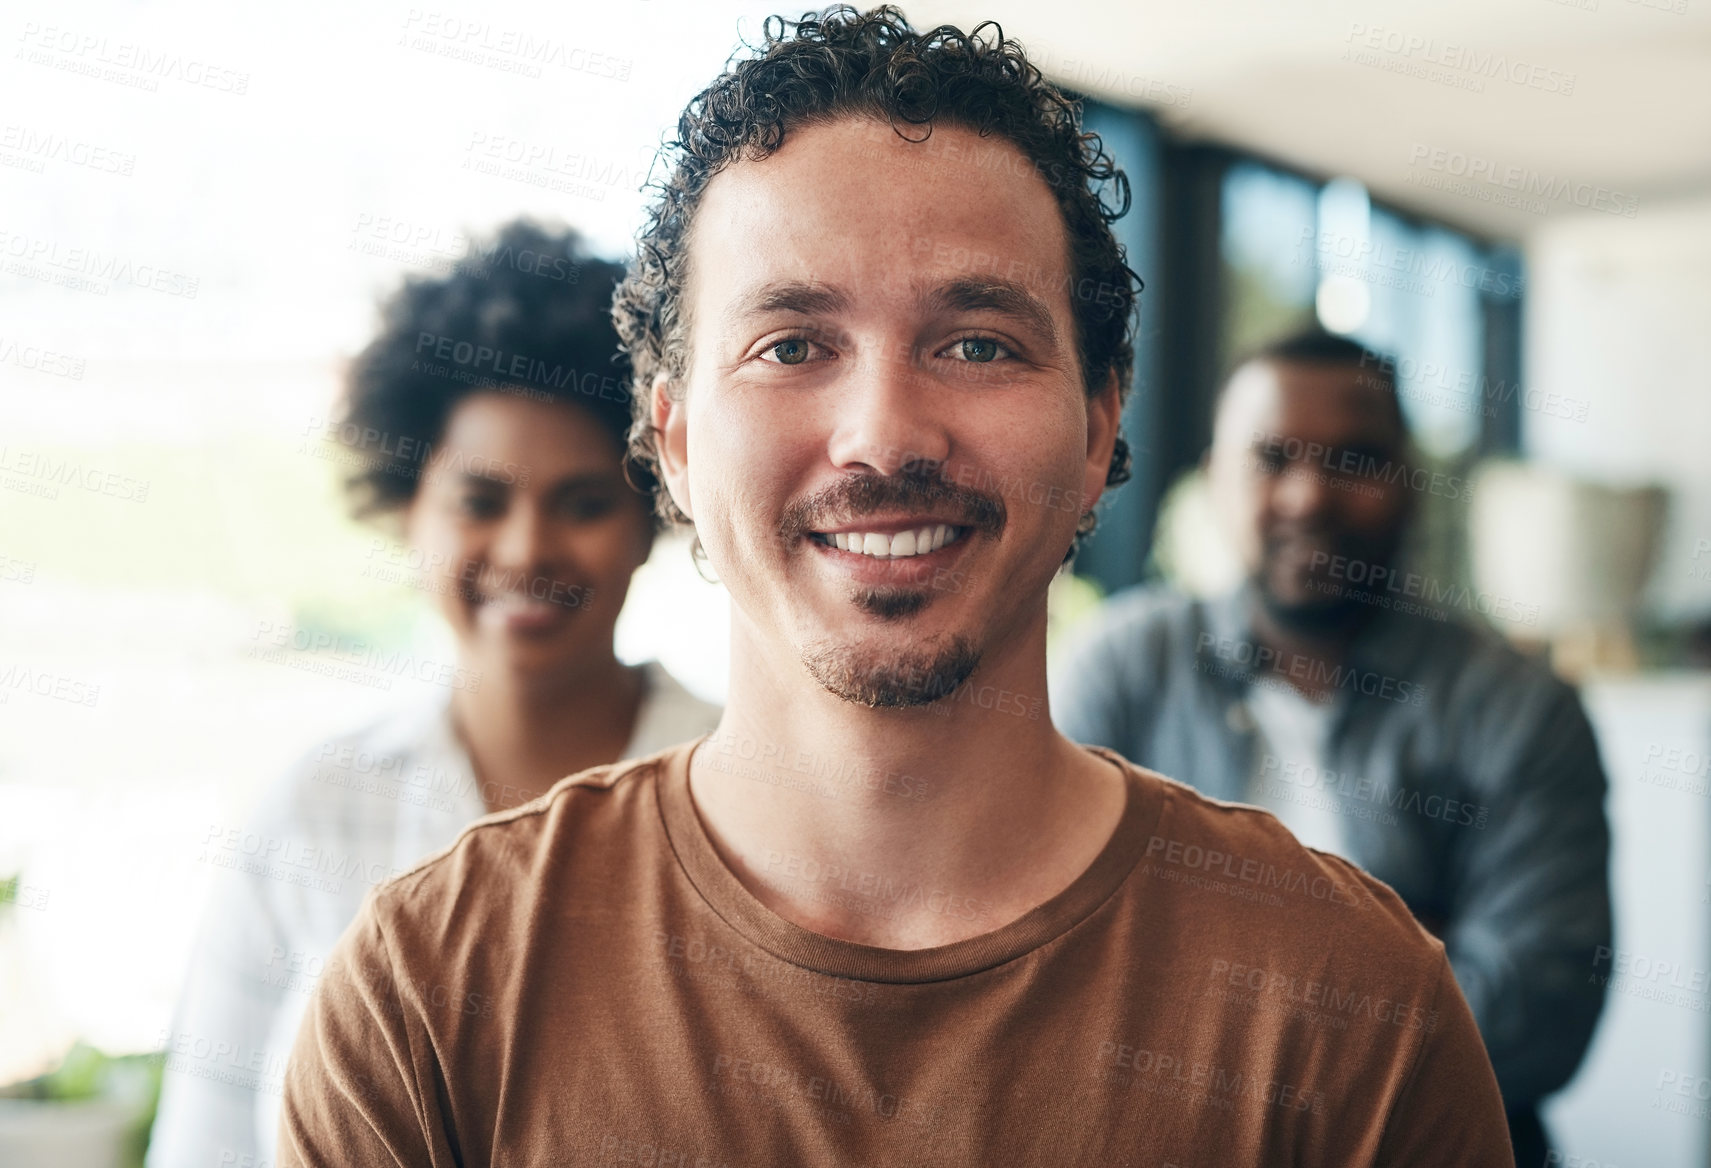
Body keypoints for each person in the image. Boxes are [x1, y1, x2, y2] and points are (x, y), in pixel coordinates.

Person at [279, 10, 1514, 1164]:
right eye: (790, 346)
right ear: (674, 442)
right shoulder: (426, 1001)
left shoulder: (1354, 1013)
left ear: (1097, 428)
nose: (882, 436)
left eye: (977, 343)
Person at [146, 221, 721, 1168]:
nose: (527, 549)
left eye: (582, 503)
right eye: (480, 501)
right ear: (408, 506)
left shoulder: (744, 793)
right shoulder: (314, 809)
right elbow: (202, 1149)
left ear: (652, 516)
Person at [1053, 329, 1612, 1164]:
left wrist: (1197, 978)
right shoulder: (1124, 664)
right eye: (1272, 456)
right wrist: (1406, 960)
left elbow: (1539, 1016)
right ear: (1215, 478)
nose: (1309, 495)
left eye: (1354, 460)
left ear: (1409, 484)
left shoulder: (1520, 709)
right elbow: (1054, 965)